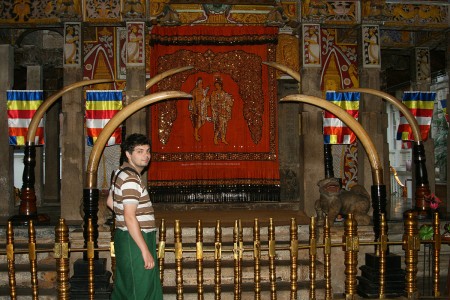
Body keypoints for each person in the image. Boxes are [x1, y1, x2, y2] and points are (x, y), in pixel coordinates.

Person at [107, 133, 163, 300]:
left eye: (147, 151)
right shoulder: (131, 179)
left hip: (127, 237)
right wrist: (145, 250)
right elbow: (130, 217)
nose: (146, 155)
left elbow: (110, 201)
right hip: (136, 240)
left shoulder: (120, 172)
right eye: (139, 151)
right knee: (140, 290)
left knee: (127, 288)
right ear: (128, 154)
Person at [210, 78, 234, 145]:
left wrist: (227, 102)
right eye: (216, 86)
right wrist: (218, 105)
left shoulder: (224, 93)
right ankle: (215, 137)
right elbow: (212, 102)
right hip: (218, 111)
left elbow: (230, 103)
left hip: (224, 111)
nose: (216, 87)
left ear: (220, 86)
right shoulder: (214, 93)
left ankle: (223, 138)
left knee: (224, 125)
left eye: (217, 85)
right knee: (219, 125)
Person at [189, 77, 209, 141]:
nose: (201, 84)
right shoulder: (195, 91)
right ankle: (195, 134)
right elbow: (197, 100)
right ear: (197, 83)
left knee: (200, 122)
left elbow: (203, 98)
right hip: (197, 108)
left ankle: (196, 134)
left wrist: (205, 93)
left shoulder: (201, 90)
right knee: (197, 123)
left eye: (201, 83)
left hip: (201, 107)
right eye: (200, 83)